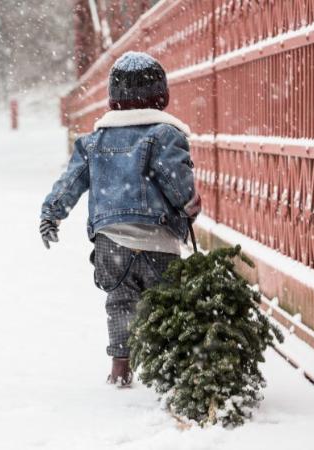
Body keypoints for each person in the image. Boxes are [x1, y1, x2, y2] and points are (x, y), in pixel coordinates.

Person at [39, 51, 200, 387]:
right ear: (161, 97)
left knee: (121, 303)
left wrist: (51, 213)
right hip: (158, 240)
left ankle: (120, 368)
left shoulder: (93, 142)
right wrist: (188, 205)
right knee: (166, 306)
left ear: (113, 100)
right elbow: (176, 183)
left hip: (111, 243)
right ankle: (166, 369)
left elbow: (71, 181)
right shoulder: (165, 136)